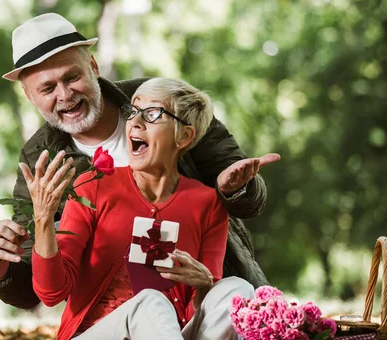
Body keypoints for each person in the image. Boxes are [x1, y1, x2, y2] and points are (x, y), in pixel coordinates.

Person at [0, 13, 280, 309]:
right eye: (47, 88)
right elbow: (36, 282)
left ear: (93, 67)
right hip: (115, 311)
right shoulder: (38, 159)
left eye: (72, 77)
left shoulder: (161, 100)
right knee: (150, 307)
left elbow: (249, 200)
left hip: (212, 286)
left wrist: (233, 189)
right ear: (29, 95)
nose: (65, 94)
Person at [26, 77, 254, 340]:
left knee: (238, 290)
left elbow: (201, 320)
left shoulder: (208, 204)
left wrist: (204, 283)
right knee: (150, 303)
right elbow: (51, 293)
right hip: (94, 334)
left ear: (185, 136)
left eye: (153, 114)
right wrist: (43, 220)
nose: (135, 121)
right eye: (133, 111)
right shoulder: (92, 186)